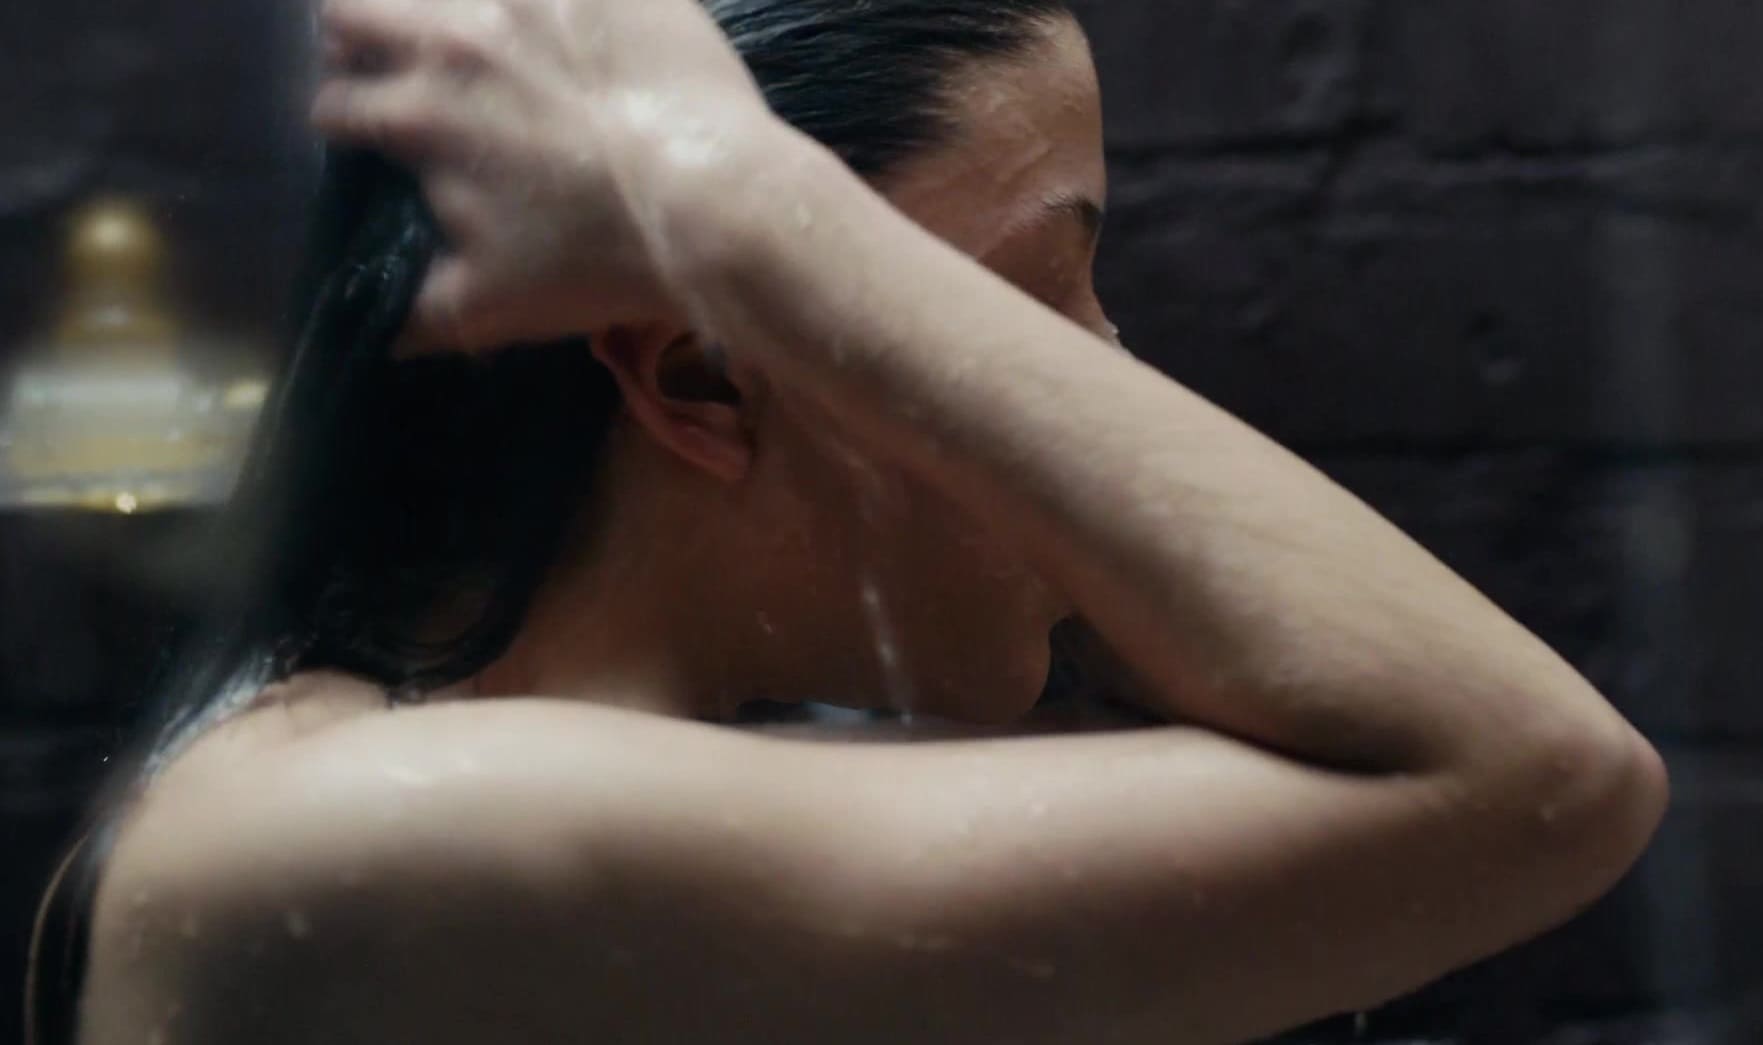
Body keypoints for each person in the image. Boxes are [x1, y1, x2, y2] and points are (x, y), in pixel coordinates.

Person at [39, 1, 1667, 1043]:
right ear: (701, 371)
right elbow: (1537, 774)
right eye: (1034, 297)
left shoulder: (643, 783)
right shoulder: (334, 829)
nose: (1098, 377)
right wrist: (739, 204)